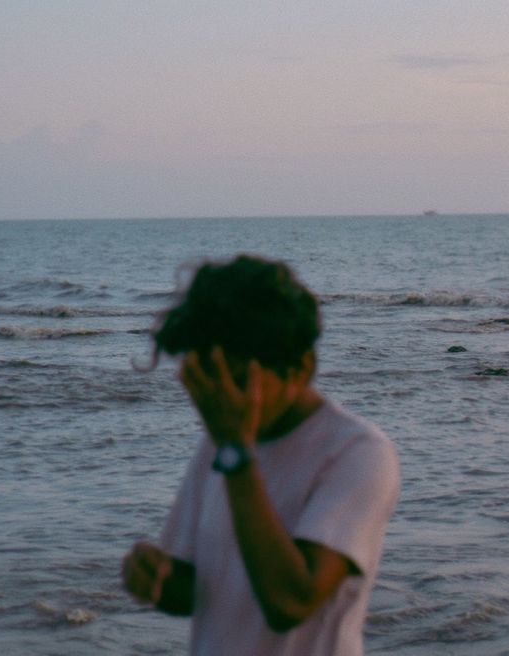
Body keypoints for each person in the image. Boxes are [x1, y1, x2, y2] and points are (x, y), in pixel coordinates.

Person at [121, 255, 400, 656]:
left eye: (236, 380)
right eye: (206, 378)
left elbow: (290, 602)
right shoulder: (221, 441)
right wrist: (154, 577)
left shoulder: (357, 453)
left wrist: (236, 450)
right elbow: (195, 591)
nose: (219, 397)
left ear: (301, 368)